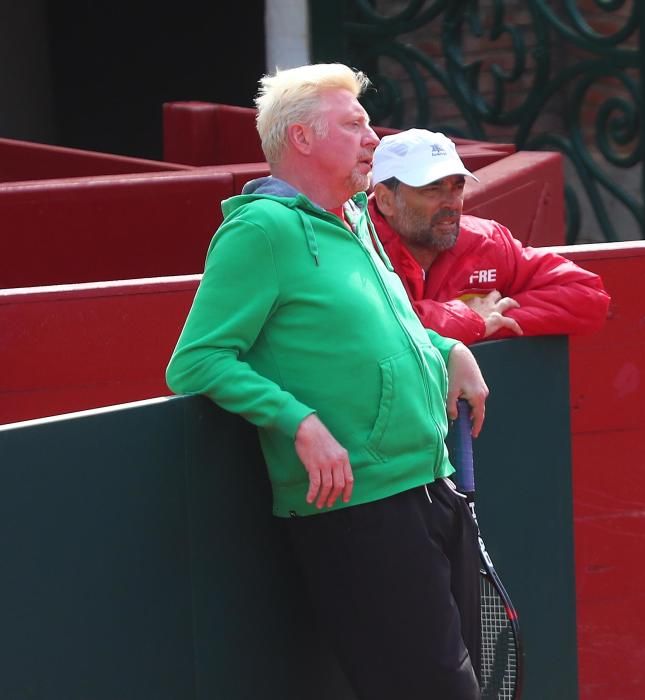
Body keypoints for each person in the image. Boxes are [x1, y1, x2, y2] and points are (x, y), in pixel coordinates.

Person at [165, 64, 488, 700]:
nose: (374, 138)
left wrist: (447, 348)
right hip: (358, 509)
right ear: (303, 139)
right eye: (355, 124)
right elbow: (198, 359)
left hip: (427, 483)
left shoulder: (357, 219)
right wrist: (299, 421)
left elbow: (377, 328)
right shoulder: (260, 229)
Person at [369, 128, 611, 345]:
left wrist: (490, 323)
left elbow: (588, 297)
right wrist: (469, 318)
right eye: (432, 189)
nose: (452, 203)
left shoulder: (485, 241)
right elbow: (375, 332)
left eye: (458, 187)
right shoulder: (354, 247)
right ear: (386, 200)